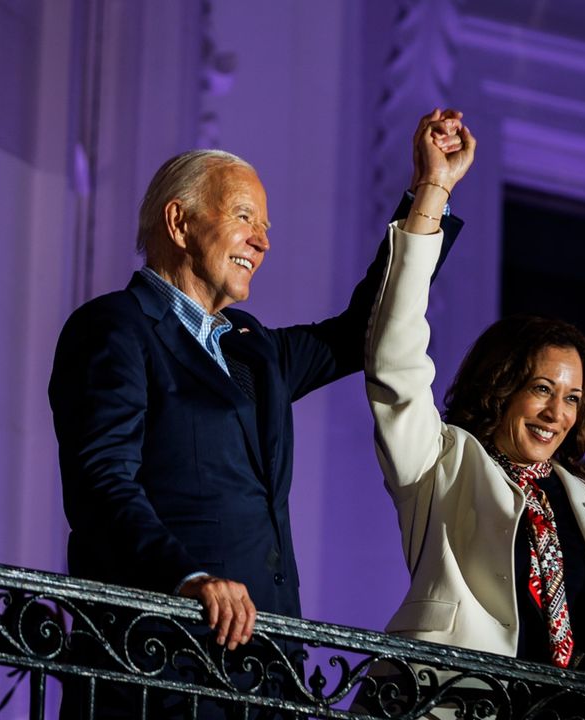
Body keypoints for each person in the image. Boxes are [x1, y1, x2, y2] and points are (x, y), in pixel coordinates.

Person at [48, 109, 473, 717]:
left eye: (265, 227)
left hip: (265, 672)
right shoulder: (115, 328)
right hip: (159, 663)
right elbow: (103, 484)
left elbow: (362, 330)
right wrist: (186, 578)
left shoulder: (252, 345)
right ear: (180, 221)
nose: (263, 241)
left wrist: (432, 190)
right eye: (244, 218)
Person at [364, 208, 585, 682]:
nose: (557, 414)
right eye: (541, 389)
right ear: (500, 387)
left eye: (572, 398)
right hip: (455, 704)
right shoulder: (441, 464)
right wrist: (431, 201)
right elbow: (396, 363)